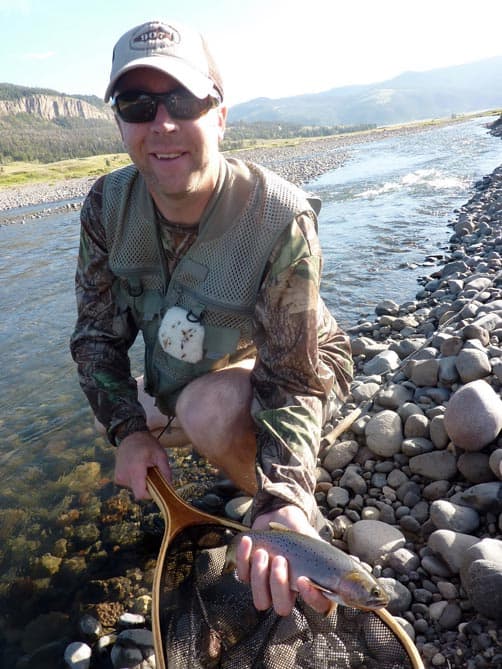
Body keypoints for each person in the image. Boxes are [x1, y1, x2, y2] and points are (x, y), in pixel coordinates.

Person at [70, 19, 353, 618]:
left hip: (298, 362)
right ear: (120, 123)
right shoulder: (105, 206)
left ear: (219, 113)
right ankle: (218, 452)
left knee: (209, 411)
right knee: (120, 415)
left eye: (183, 100)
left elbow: (294, 380)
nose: (162, 123)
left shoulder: (279, 217)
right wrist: (130, 434)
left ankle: (276, 508)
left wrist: (283, 501)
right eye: (138, 104)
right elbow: (96, 339)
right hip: (200, 365)